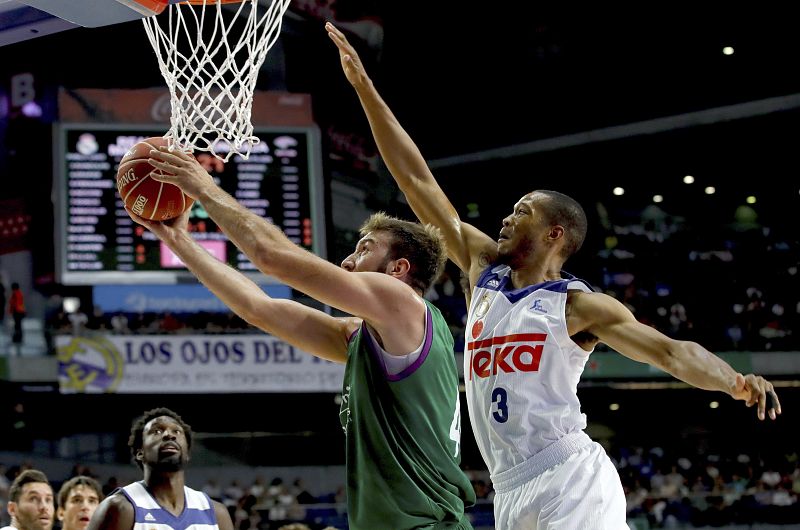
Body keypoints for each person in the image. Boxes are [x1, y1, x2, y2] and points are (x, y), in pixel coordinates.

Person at [325, 22, 783, 529]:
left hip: (569, 475)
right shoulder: (484, 270)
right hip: (507, 488)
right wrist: (365, 88)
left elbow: (669, 351)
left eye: (521, 211)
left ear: (555, 233)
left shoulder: (578, 305)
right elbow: (417, 182)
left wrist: (734, 381)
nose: (506, 217)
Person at [124, 151, 475, 528]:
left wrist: (206, 189)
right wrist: (179, 240)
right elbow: (257, 308)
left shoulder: (402, 302)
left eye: (365, 248)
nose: (347, 261)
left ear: (398, 269)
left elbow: (271, 257)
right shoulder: (368, 337)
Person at [87, 408, 233, 530]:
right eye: (157, 431)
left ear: (187, 453)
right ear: (140, 452)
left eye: (177, 431)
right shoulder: (121, 508)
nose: (169, 435)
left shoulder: (216, 514)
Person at [8, 282, 25, 351]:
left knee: (17, 325)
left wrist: (10, 311)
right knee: (18, 325)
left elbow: (13, 303)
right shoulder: (19, 293)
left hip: (17, 312)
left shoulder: (15, 294)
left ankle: (17, 338)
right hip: (20, 311)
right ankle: (18, 338)